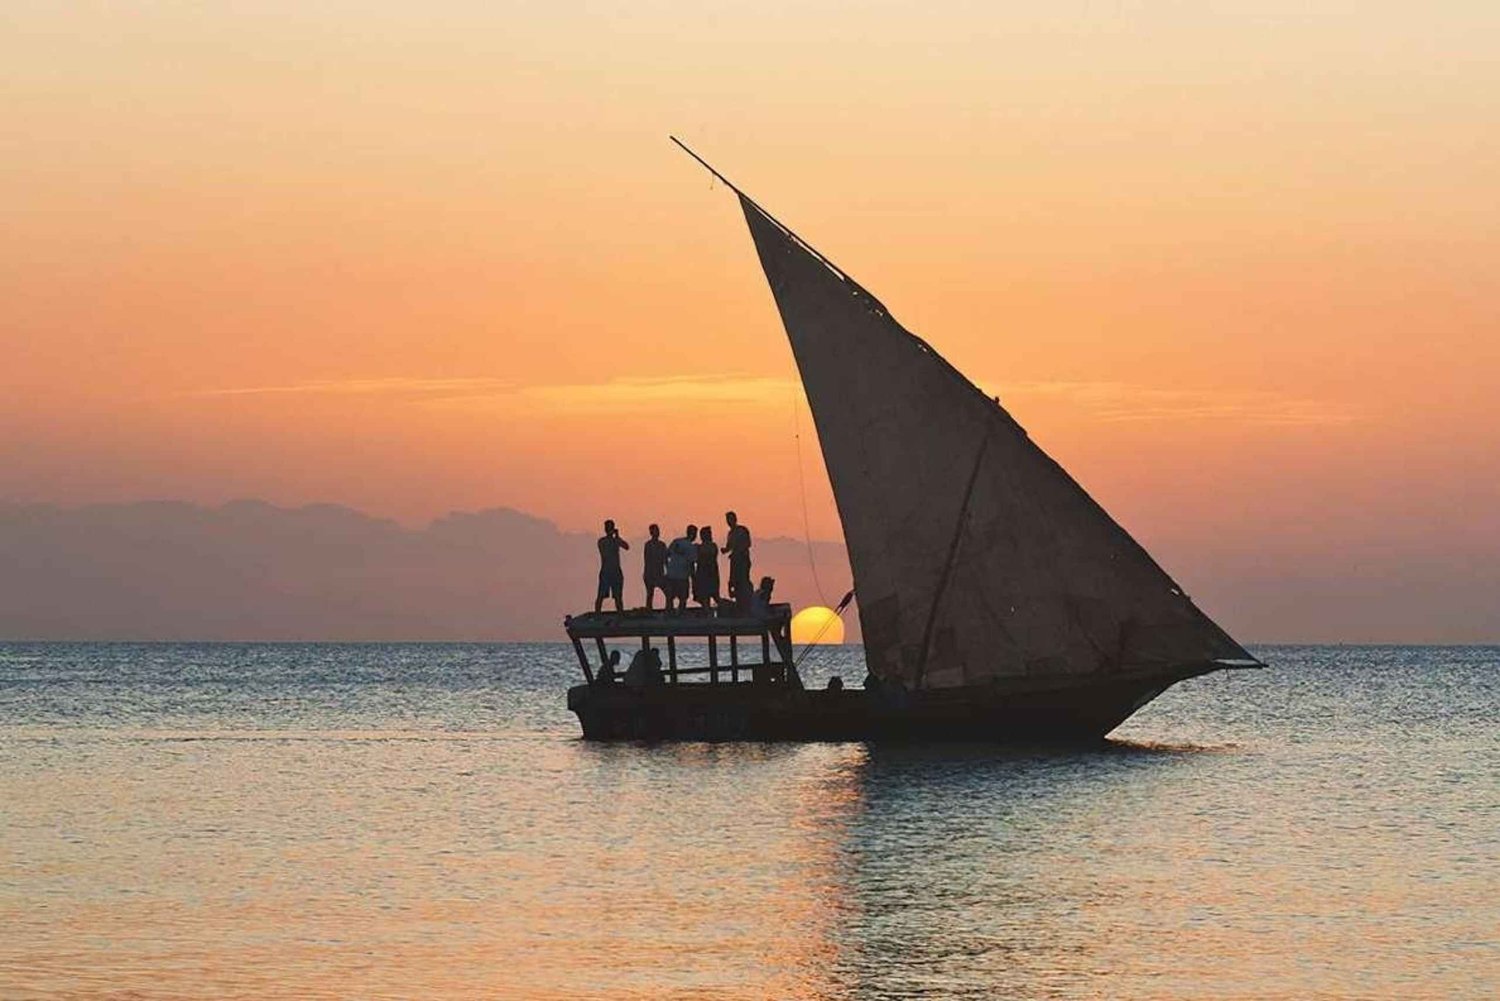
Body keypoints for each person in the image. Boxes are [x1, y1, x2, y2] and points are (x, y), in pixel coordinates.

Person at [594, 519, 630, 613]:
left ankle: (620, 614)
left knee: (618, 597)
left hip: (616, 572)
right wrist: (615, 540)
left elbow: (626, 547)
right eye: (608, 528)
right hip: (606, 571)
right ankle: (597, 614)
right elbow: (605, 552)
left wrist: (617, 536)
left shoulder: (616, 541)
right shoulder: (602, 541)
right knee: (601, 596)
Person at [722, 511, 753, 607]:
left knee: (743, 580)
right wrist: (725, 550)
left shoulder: (742, 530)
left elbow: (748, 544)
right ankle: (739, 601)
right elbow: (729, 547)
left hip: (742, 559)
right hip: (735, 560)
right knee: (735, 581)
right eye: (727, 520)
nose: (729, 522)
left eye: (730, 519)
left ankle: (747, 601)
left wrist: (739, 550)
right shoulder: (730, 533)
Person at [664, 525, 698, 612]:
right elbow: (691, 564)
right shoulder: (691, 547)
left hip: (671, 575)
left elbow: (666, 555)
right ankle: (681, 613)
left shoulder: (676, 541)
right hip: (682, 577)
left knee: (670, 598)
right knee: (683, 598)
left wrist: (668, 568)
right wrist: (693, 578)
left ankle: (669, 613)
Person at [693, 525, 721, 608]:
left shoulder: (707, 547)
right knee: (707, 595)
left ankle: (708, 610)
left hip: (706, 573)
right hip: (709, 573)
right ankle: (708, 610)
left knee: (707, 595)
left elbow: (699, 558)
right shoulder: (711, 546)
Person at [642, 524, 668, 610]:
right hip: (650, 574)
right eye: (655, 531)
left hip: (660, 573)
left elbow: (665, 560)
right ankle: (649, 610)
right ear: (651, 533)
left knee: (668, 593)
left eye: (658, 530)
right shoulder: (648, 545)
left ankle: (668, 610)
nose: (657, 533)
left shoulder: (662, 545)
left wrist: (668, 572)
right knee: (650, 594)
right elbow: (647, 560)